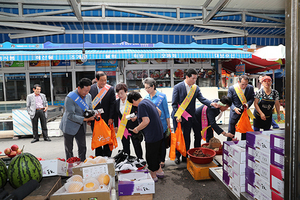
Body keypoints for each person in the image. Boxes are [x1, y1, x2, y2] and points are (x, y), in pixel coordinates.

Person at [171, 68, 219, 164]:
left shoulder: (195, 88)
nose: (194, 81)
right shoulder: (178, 87)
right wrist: (178, 115)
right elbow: (174, 104)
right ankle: (177, 155)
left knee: (186, 136)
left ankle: (185, 155)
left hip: (189, 116)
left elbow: (202, 99)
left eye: (196, 79)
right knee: (178, 137)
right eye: (193, 78)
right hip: (178, 117)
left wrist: (211, 103)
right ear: (187, 77)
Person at [128, 91, 164, 182]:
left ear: (133, 100)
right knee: (157, 152)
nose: (134, 105)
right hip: (159, 131)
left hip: (152, 134)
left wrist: (137, 129)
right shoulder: (148, 101)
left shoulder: (141, 105)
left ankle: (153, 176)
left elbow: (146, 121)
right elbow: (159, 112)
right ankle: (160, 171)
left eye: (132, 103)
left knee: (151, 155)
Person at [59, 78, 94, 161]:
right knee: (69, 149)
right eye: (85, 90)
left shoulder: (88, 96)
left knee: (82, 147)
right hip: (69, 125)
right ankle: (70, 165)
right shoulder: (70, 97)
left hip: (81, 125)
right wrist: (86, 119)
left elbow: (90, 108)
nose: (87, 93)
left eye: (88, 90)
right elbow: (70, 115)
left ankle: (82, 164)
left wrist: (92, 115)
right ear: (79, 88)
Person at [143, 78, 170, 168]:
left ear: (153, 86)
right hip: (151, 125)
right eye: (145, 88)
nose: (147, 90)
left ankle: (162, 160)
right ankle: (155, 160)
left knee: (162, 143)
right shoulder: (146, 98)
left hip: (162, 123)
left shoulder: (162, 96)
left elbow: (166, 111)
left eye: (148, 87)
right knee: (154, 144)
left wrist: (168, 124)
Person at [113, 83, 144, 161]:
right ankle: (127, 161)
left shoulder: (131, 100)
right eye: (118, 93)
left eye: (122, 93)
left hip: (134, 126)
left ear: (126, 91)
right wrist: (116, 126)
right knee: (125, 146)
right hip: (123, 127)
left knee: (136, 145)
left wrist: (136, 116)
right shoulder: (116, 102)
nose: (120, 95)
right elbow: (115, 115)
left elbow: (139, 110)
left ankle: (140, 160)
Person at [89, 71, 116, 157]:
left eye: (105, 80)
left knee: (107, 137)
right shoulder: (91, 89)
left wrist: (111, 117)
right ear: (96, 79)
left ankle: (107, 156)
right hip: (95, 119)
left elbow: (113, 104)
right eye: (102, 80)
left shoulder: (110, 89)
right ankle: (99, 157)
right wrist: (89, 118)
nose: (104, 82)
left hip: (106, 118)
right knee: (98, 137)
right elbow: (88, 104)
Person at [227, 75, 255, 141]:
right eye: (242, 84)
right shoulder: (232, 88)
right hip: (235, 112)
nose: (244, 86)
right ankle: (229, 144)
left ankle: (244, 144)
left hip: (245, 112)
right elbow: (229, 101)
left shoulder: (250, 88)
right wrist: (234, 108)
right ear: (238, 82)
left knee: (245, 130)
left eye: (246, 84)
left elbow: (252, 98)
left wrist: (248, 104)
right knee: (231, 129)